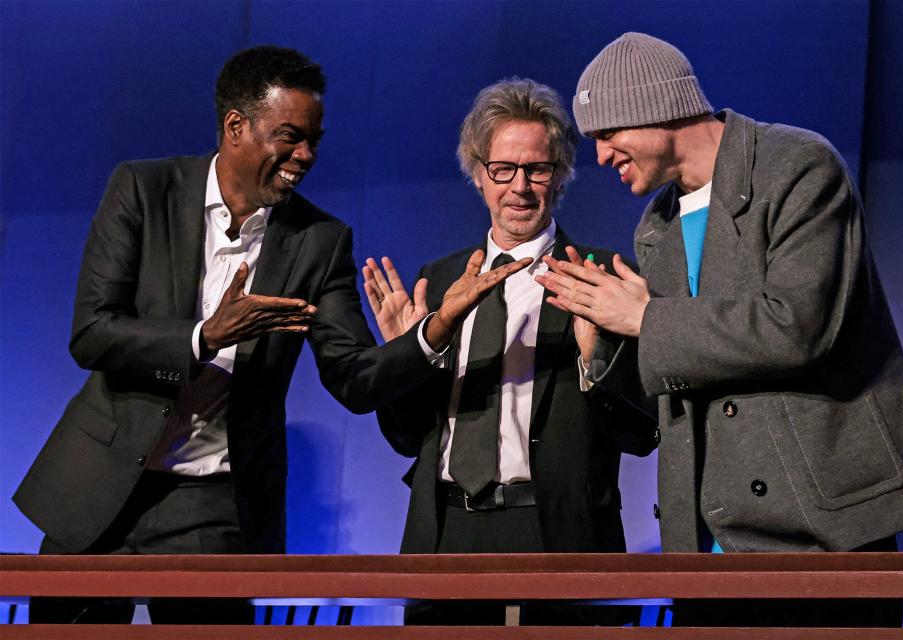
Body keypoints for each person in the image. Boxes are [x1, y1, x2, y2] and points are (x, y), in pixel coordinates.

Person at [13, 45, 525, 625]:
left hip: (213, 504)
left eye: (314, 139)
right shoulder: (141, 190)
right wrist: (203, 337)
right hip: (100, 488)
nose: (304, 155)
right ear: (236, 126)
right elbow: (92, 333)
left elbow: (353, 378)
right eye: (289, 136)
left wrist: (434, 329)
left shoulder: (317, 240)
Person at [537, 32, 903, 628]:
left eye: (607, 134)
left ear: (654, 109)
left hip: (820, 532)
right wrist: (602, 349)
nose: (601, 156)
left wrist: (645, 318)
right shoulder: (655, 228)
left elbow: (798, 325)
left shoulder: (798, 167)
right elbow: (678, 393)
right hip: (709, 544)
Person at [362, 78, 656, 626]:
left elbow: (641, 435)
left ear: (560, 175)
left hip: (558, 534)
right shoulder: (441, 279)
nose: (519, 186)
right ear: (478, 174)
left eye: (537, 169)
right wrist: (407, 356)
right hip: (444, 534)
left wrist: (598, 363)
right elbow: (406, 439)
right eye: (503, 169)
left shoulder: (602, 276)